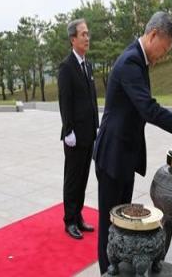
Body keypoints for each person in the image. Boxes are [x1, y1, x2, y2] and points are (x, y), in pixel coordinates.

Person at [92, 11, 172, 275]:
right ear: (153, 35)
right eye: (163, 50)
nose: (161, 56)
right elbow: (147, 108)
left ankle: (118, 269)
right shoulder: (131, 61)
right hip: (112, 153)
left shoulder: (139, 60)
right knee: (111, 221)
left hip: (124, 153)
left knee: (122, 219)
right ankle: (106, 271)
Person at [58, 18, 99, 240]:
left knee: (83, 177)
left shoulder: (87, 65)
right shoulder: (67, 67)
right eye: (83, 34)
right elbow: (65, 101)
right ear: (73, 39)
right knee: (73, 178)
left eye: (87, 33)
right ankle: (69, 220)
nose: (87, 37)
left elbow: (92, 100)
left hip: (89, 133)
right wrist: (68, 130)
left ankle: (79, 215)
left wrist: (97, 126)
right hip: (74, 136)